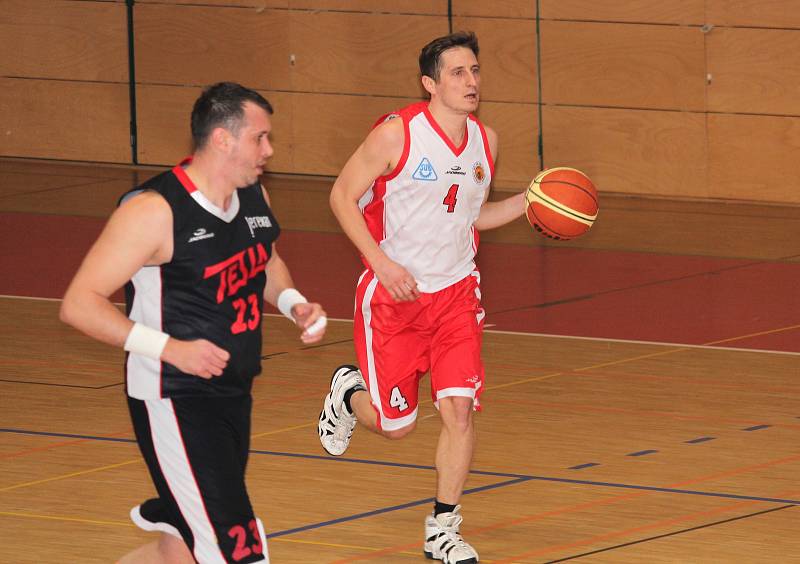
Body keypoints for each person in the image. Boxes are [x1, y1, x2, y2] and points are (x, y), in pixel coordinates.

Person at [60, 82, 327, 564]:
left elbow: (263, 260)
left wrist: (292, 303)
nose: (269, 150)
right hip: (175, 396)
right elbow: (79, 303)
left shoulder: (253, 196)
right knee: (237, 547)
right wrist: (169, 348)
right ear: (223, 139)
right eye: (260, 138)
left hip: (234, 389)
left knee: (179, 548)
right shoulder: (153, 211)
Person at [317, 32, 526, 563]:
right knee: (396, 427)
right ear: (429, 84)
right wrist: (380, 263)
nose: (472, 81)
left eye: (475, 70)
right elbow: (340, 195)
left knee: (459, 412)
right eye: (458, 73)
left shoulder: (486, 141)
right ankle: (348, 392)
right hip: (395, 298)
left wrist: (530, 202)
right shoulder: (397, 134)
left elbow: (473, 216)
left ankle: (443, 528)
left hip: (456, 293)